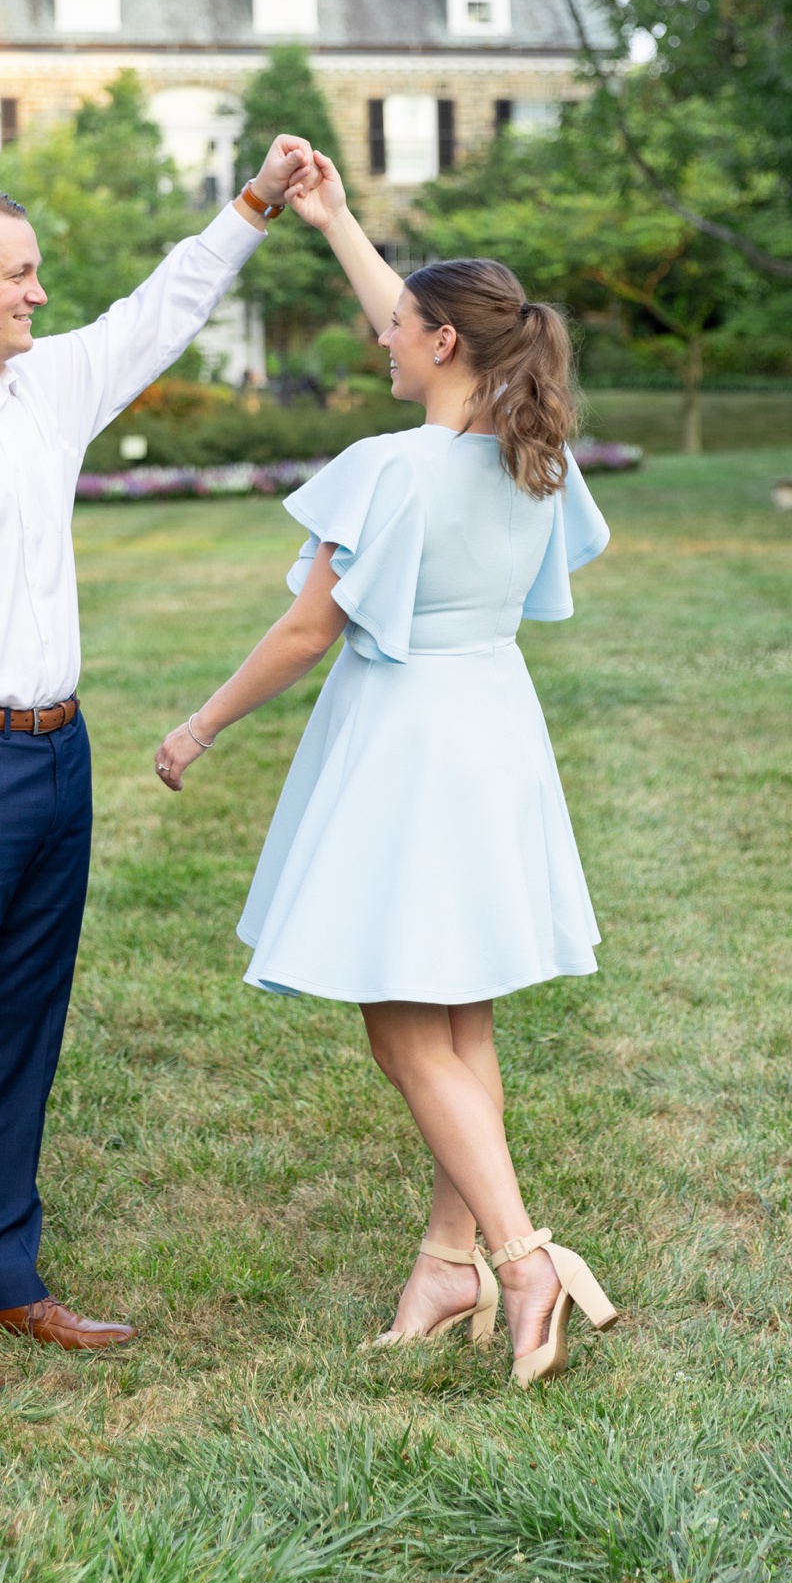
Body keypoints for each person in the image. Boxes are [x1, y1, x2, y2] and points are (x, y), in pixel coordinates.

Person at [0, 135, 314, 1398]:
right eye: (19, 274)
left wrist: (252, 203)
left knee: (22, 1035)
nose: (40, 293)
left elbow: (163, 311)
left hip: (58, 758)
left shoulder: (47, 393)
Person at [154, 150, 619, 1388]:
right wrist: (338, 223)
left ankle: (523, 1261)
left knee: (404, 1033)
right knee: (457, 1016)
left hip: (404, 746)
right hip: (492, 729)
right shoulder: (534, 457)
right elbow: (416, 326)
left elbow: (310, 629)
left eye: (398, 333)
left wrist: (198, 727)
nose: (381, 344)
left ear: (443, 347)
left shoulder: (389, 470)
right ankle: (444, 1258)